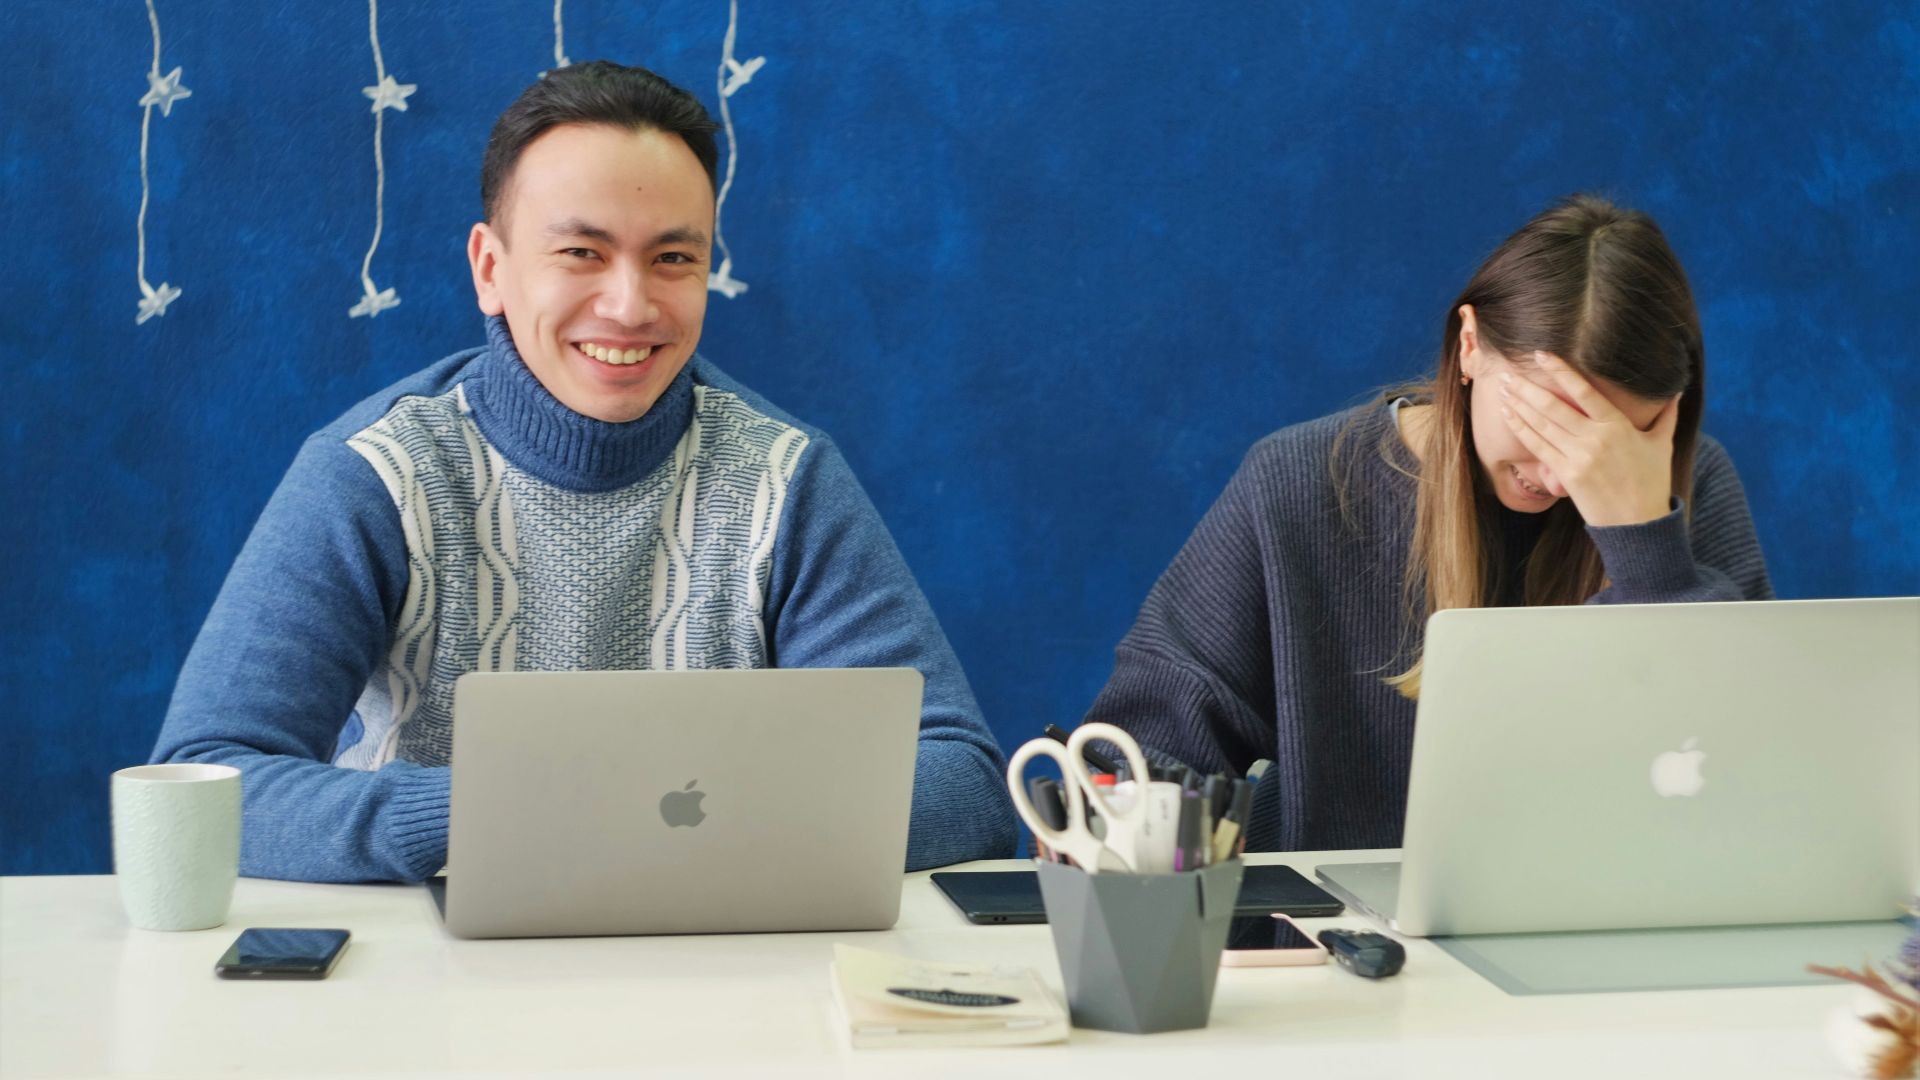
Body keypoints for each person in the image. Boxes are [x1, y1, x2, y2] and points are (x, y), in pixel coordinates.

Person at [151, 61, 1014, 882]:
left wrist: (660, 819)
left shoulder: (785, 478)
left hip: (718, 952)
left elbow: (961, 779)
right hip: (433, 956)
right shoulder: (377, 471)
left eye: (672, 259)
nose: (630, 306)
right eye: (581, 253)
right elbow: (207, 782)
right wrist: (493, 816)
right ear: (491, 269)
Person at [1080, 194, 1772, 853]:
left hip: (1625, 923)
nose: (1564, 479)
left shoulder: (1687, 485)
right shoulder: (1299, 483)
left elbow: (1757, 784)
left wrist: (1644, 543)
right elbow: (1134, 760)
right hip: (1344, 931)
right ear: (1470, 346)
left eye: (1614, 442)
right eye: (1545, 424)